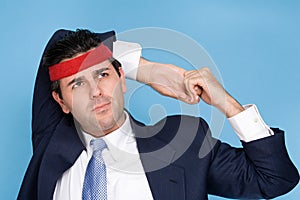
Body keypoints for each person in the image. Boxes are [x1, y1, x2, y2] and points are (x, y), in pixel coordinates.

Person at [18, 29, 299, 200]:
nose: (95, 92)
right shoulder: (51, 139)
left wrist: (226, 103)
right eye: (77, 83)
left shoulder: (182, 144)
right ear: (60, 101)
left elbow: (275, 179)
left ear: (121, 78)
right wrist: (148, 70)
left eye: (103, 74)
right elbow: (59, 39)